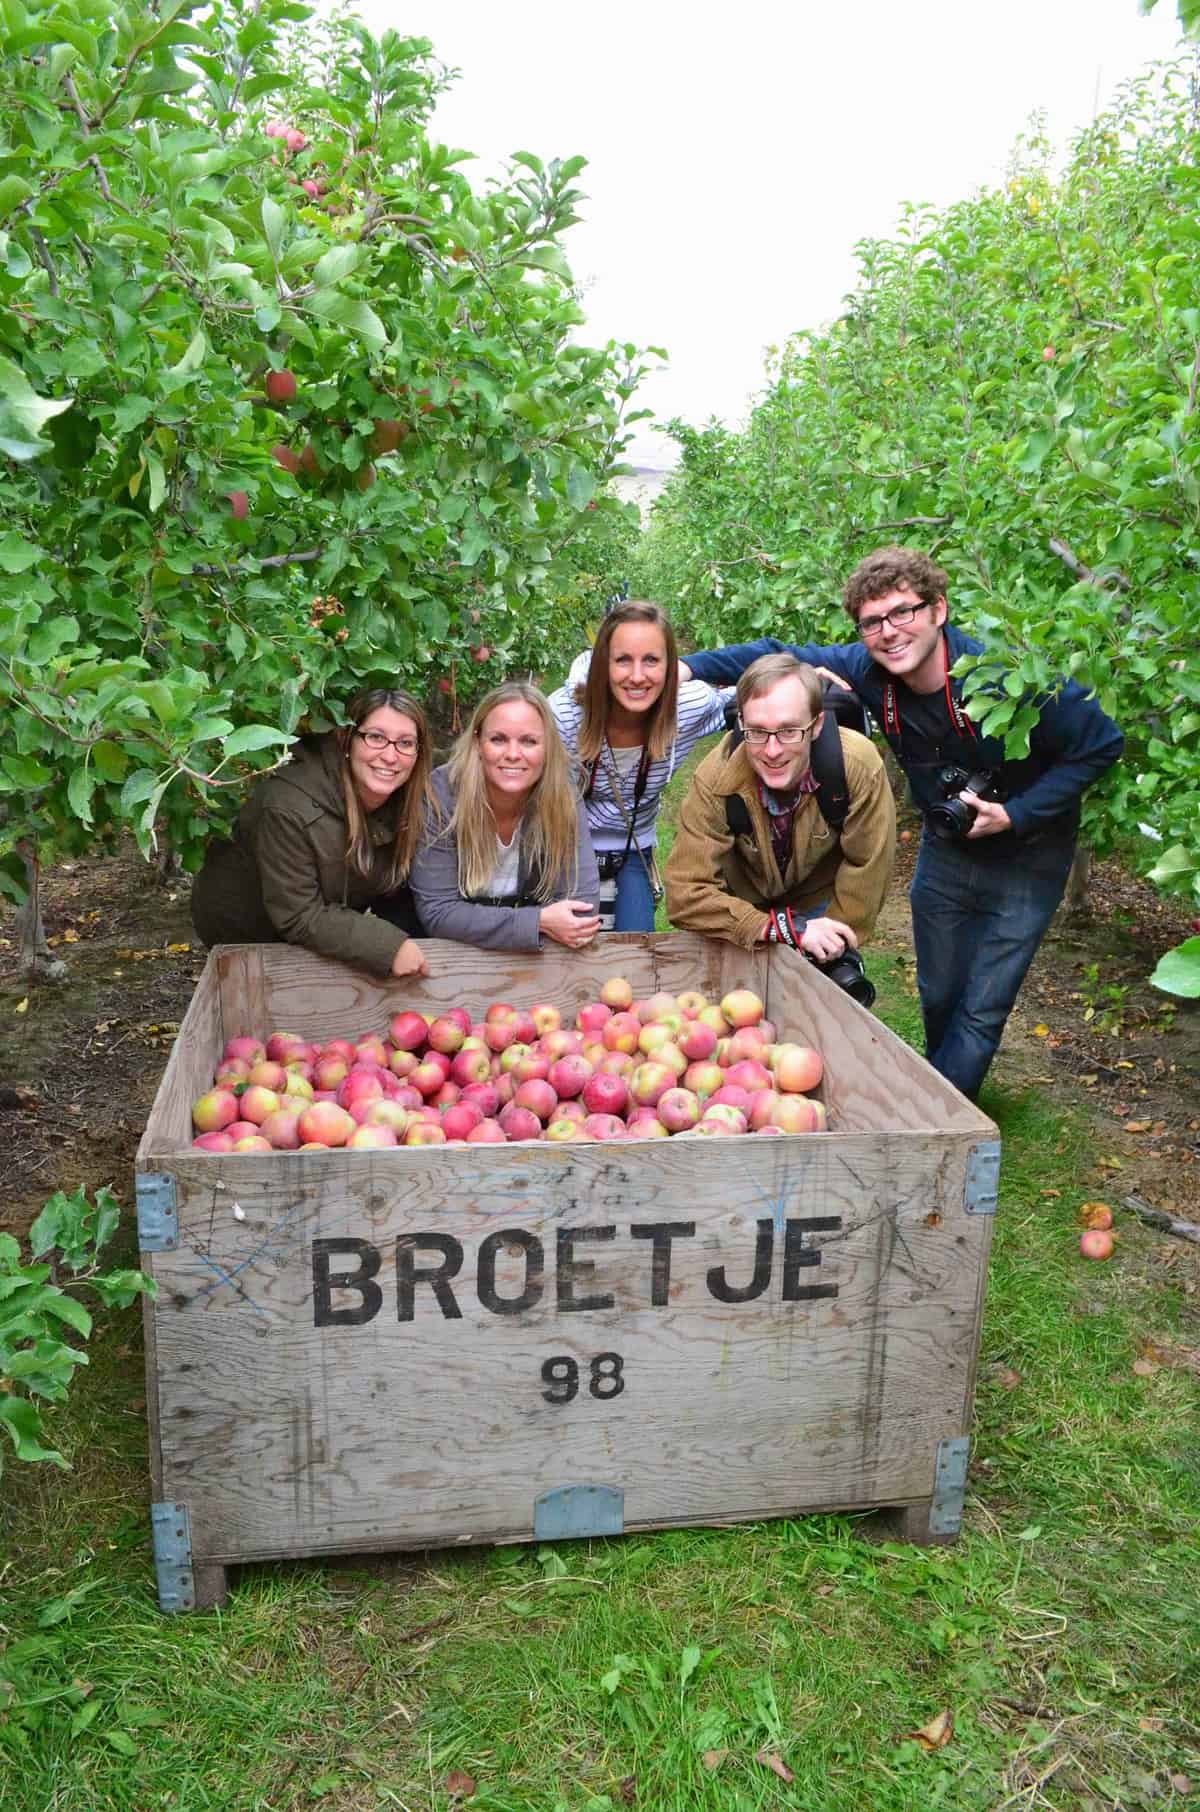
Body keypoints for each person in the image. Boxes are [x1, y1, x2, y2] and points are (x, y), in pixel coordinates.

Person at [680, 546, 1124, 1099]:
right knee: (938, 991)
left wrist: (1015, 813)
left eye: (903, 612)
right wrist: (687, 667)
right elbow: (778, 654)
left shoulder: (1008, 676)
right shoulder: (870, 672)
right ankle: (944, 1091)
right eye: (872, 621)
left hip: (1028, 855)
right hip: (950, 847)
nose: (889, 632)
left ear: (938, 609)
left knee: (985, 1002)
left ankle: (937, 1112)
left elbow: (1103, 742)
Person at [664, 653, 895, 960]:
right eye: (757, 732)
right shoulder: (715, 779)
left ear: (816, 725)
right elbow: (686, 893)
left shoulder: (858, 766)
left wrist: (831, 941)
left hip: (820, 899)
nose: (772, 751)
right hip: (740, 903)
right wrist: (773, 928)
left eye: (789, 731)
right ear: (741, 724)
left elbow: (868, 868)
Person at [191, 688, 433, 978]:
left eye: (405, 743)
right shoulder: (289, 807)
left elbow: (390, 889)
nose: (391, 756)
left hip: (313, 921)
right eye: (376, 738)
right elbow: (300, 914)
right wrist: (388, 946)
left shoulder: (403, 801)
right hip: (248, 933)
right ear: (348, 740)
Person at [547, 601, 732, 931]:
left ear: (671, 667)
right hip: (567, 846)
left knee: (636, 951)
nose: (637, 676)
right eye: (622, 660)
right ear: (603, 664)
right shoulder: (565, 716)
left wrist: (804, 674)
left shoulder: (686, 708)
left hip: (633, 846)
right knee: (573, 948)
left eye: (651, 660)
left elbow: (748, 699)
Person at [409, 682, 600, 950]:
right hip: (445, 958)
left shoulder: (562, 796)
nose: (512, 754)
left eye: (529, 741)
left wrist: (483, 923)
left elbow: (582, 911)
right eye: (498, 739)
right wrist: (538, 922)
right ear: (477, 743)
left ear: (547, 748)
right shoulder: (441, 795)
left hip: (534, 960)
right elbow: (439, 913)